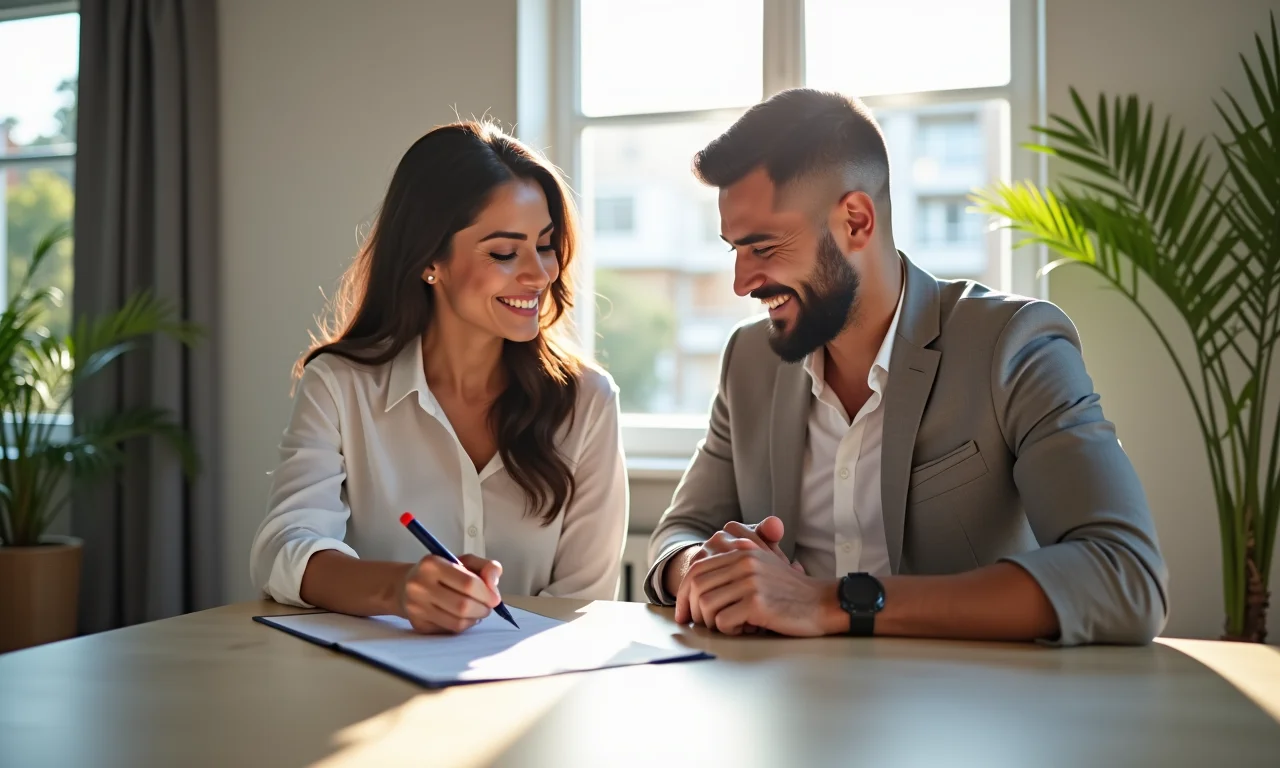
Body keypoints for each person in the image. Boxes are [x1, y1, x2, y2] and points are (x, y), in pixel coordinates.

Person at [644, 89, 1168, 646]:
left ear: (855, 221)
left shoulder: (1014, 346)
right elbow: (678, 533)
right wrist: (708, 566)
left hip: (968, 713)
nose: (741, 283)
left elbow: (1126, 575)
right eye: (734, 251)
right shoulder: (748, 360)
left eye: (764, 247)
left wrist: (828, 602)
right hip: (784, 704)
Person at [251, 120, 628, 634]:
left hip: (533, 690)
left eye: (544, 245)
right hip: (372, 692)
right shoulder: (339, 386)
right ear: (431, 259)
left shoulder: (588, 401)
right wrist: (398, 588)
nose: (539, 273)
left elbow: (586, 602)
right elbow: (283, 550)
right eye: (503, 252)